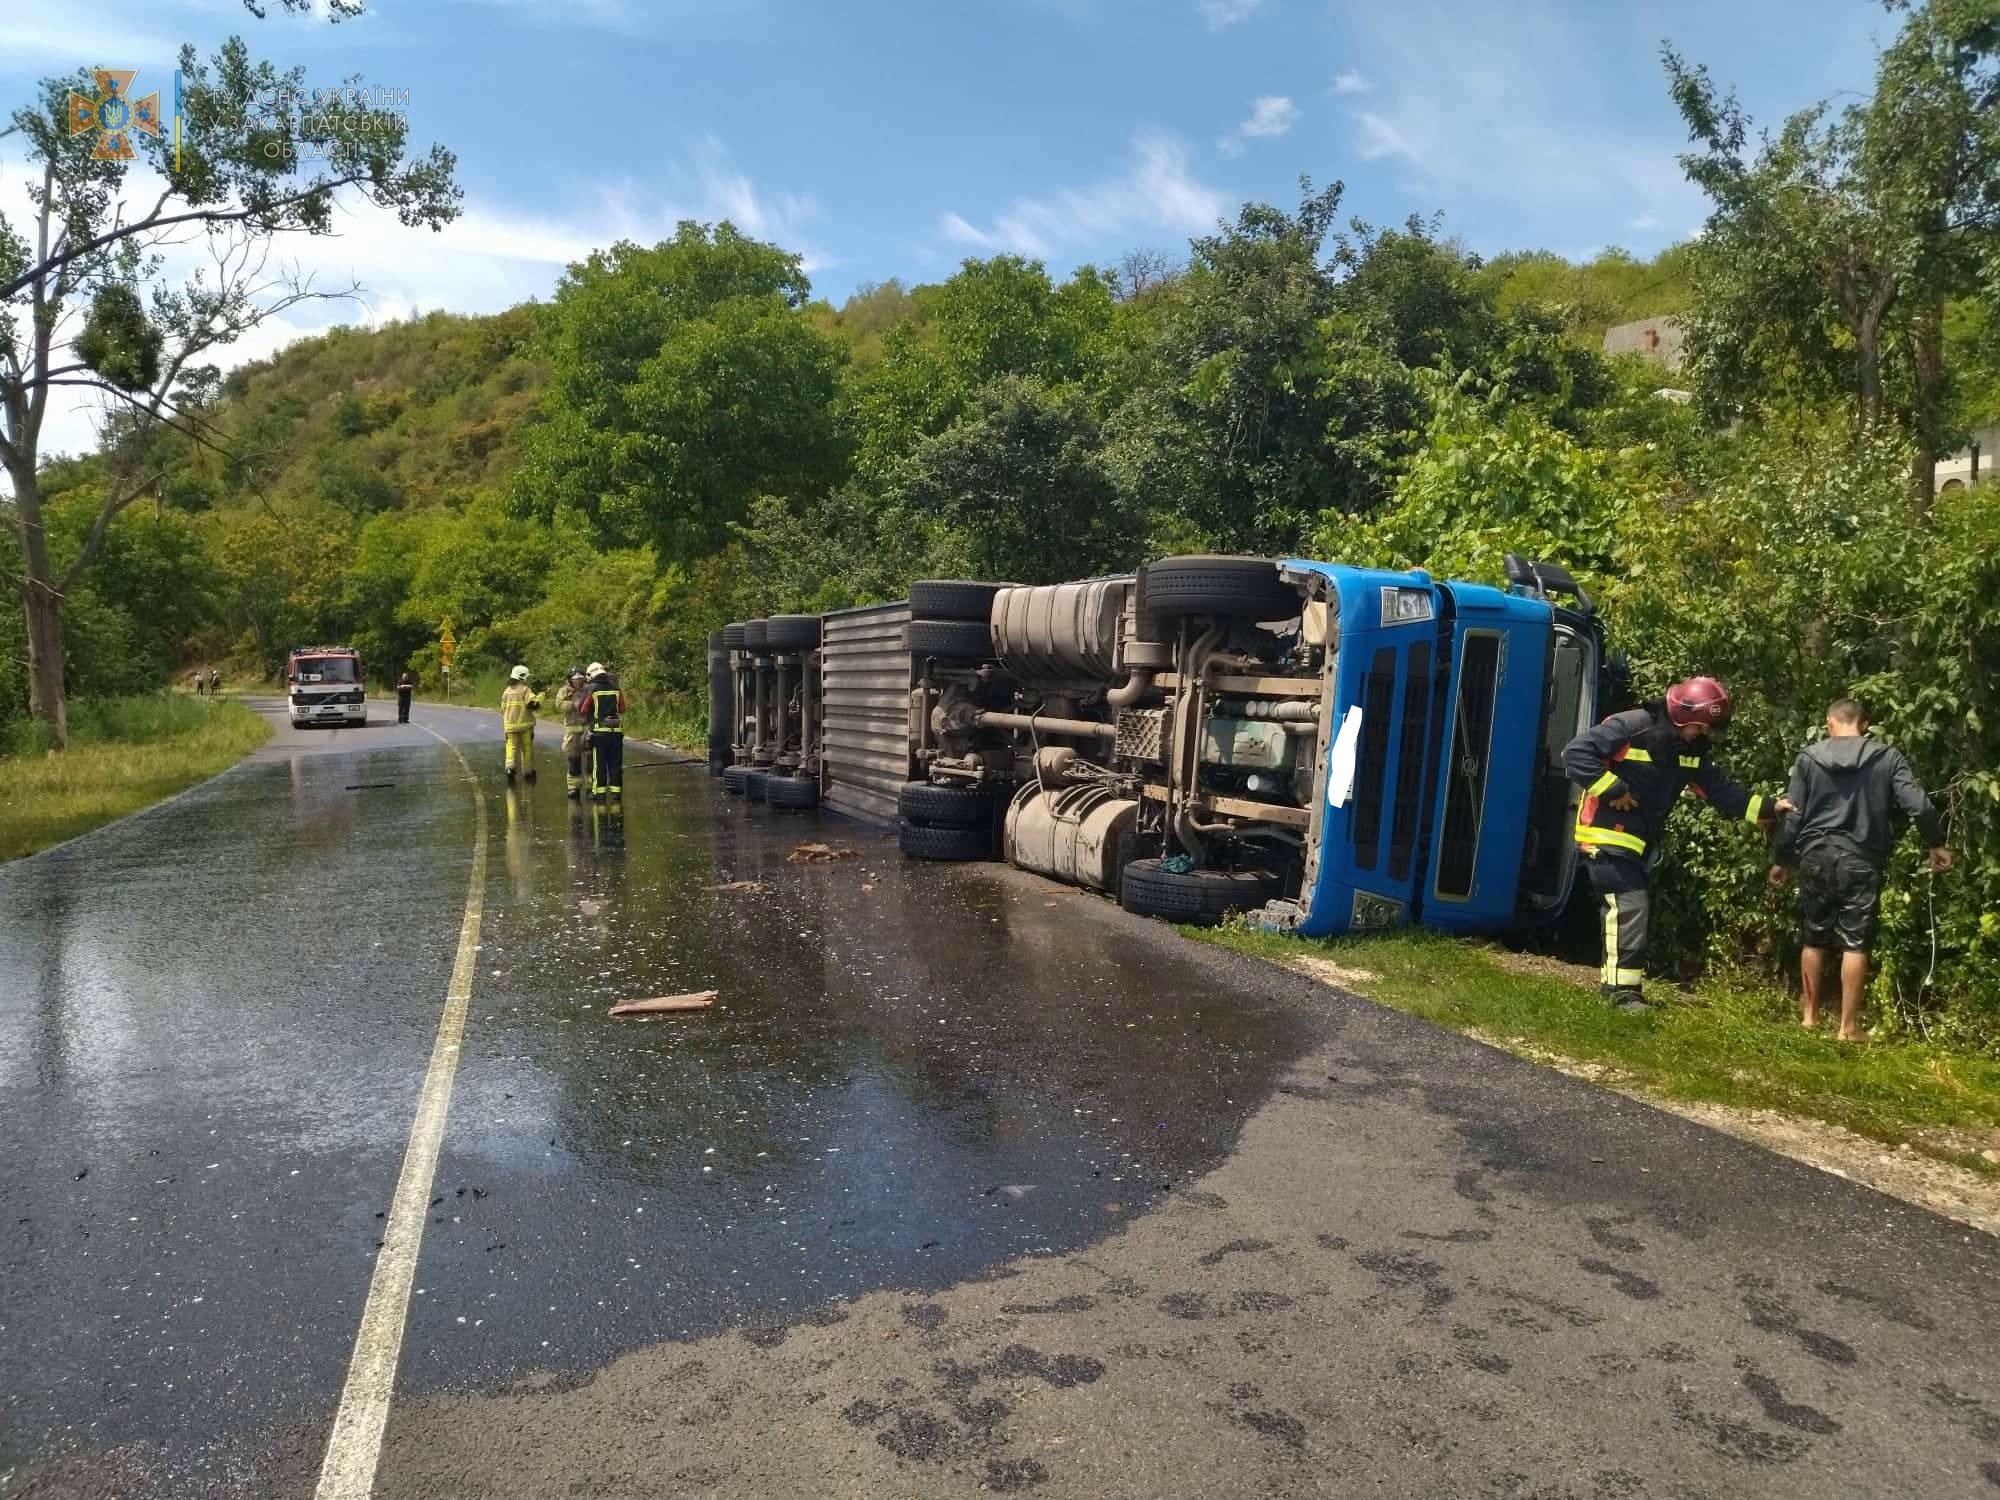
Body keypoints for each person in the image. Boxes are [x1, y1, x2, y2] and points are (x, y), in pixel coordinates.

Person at [1563, 676, 1789, 1012]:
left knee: (1628, 910)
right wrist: (1613, 790)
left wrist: (1770, 808)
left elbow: (1721, 791)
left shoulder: (1690, 751)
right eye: (1700, 727)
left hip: (1639, 841)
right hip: (1605, 835)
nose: (1702, 735)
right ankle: (1624, 996)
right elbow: (1576, 753)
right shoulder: (1632, 725)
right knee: (1630, 906)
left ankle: (1616, 991)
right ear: (1685, 715)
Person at [1768, 698, 1951, 1042]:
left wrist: (1782, 859)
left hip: (1815, 856)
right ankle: (1848, 1028)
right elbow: (1918, 804)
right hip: (1862, 859)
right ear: (1864, 724)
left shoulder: (1809, 758)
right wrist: (1935, 842)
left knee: (1813, 937)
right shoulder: (1886, 757)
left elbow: (1793, 814)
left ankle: (1809, 1018)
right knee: (1855, 942)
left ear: (1829, 722)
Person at [580, 660, 625, 802]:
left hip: (599, 733)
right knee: (615, 763)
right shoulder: (616, 688)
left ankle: (599, 793)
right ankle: (616, 792)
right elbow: (622, 708)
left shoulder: (591, 689)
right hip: (616, 732)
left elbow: (583, 709)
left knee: (599, 763)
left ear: (591, 674)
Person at [500, 665, 542, 783]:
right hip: (525, 726)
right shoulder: (525, 689)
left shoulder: (506, 691)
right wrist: (539, 700)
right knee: (527, 748)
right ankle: (528, 772)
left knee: (511, 747)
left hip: (510, 726)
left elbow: (502, 709)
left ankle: (510, 768)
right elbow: (532, 703)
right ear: (522, 677)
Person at [556, 666, 589, 800]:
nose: (578, 682)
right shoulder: (564, 691)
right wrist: (573, 704)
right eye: (575, 680)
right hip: (572, 732)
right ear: (570, 680)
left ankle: (591, 788)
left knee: (590, 761)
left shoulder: (588, 689)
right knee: (573, 761)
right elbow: (558, 704)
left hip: (587, 730)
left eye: (580, 679)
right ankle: (573, 788)